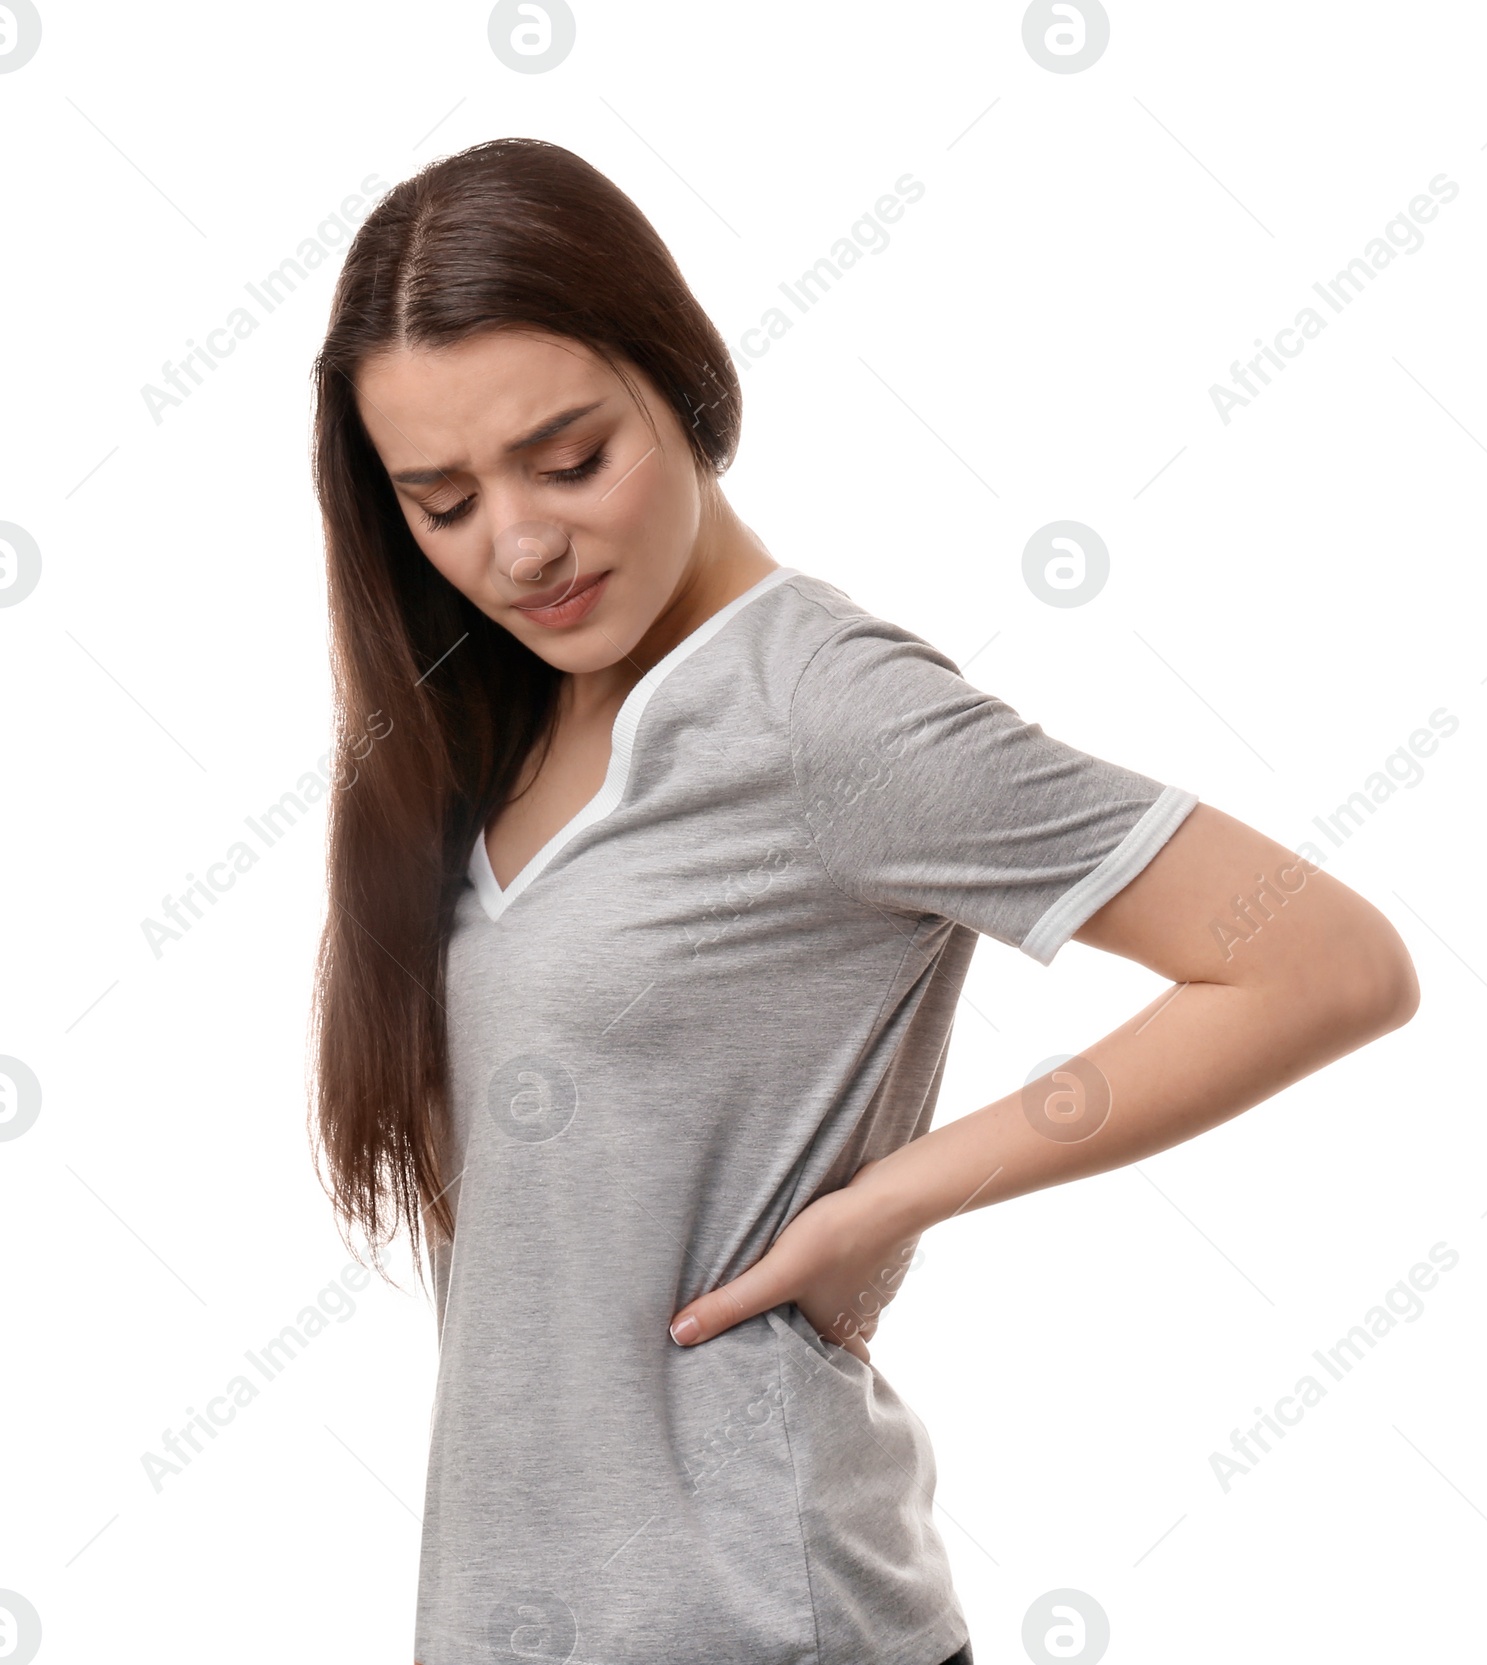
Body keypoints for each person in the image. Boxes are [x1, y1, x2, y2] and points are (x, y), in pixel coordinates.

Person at [306, 137, 1419, 1665]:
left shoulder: (827, 711)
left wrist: (887, 1201)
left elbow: (1324, 960)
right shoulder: (502, 723)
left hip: (767, 1622)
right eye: (440, 500)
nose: (519, 543)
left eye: (570, 459)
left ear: (685, 390)